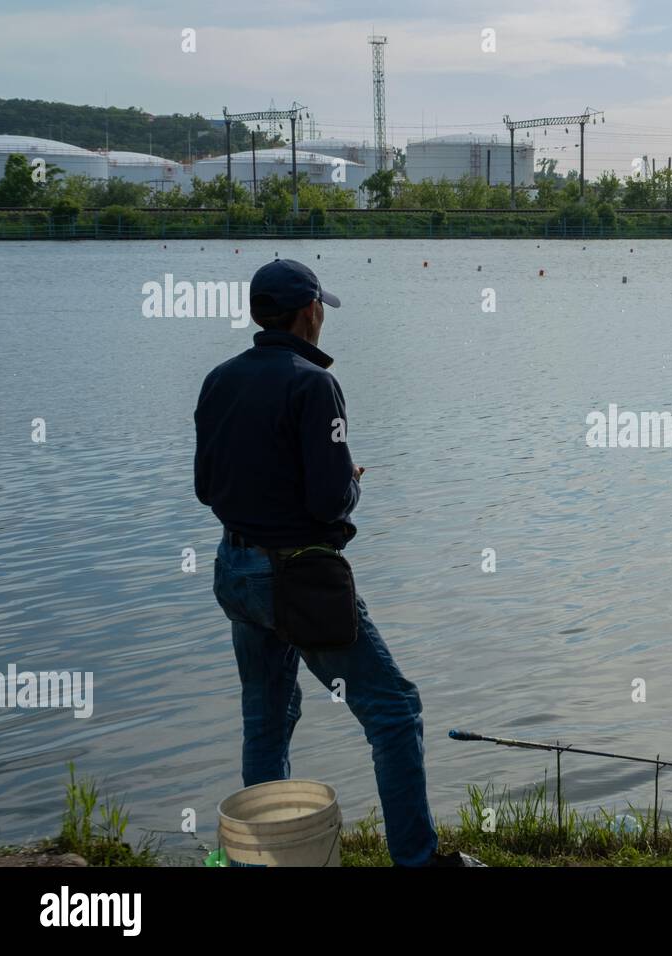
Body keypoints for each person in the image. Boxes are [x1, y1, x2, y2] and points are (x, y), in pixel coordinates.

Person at [194, 259, 479, 867]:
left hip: (234, 570)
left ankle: (262, 858)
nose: (322, 317)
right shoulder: (312, 384)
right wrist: (350, 482)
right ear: (308, 313)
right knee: (394, 711)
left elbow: (205, 485)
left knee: (268, 716)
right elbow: (327, 501)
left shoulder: (219, 379)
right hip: (296, 578)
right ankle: (418, 860)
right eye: (321, 308)